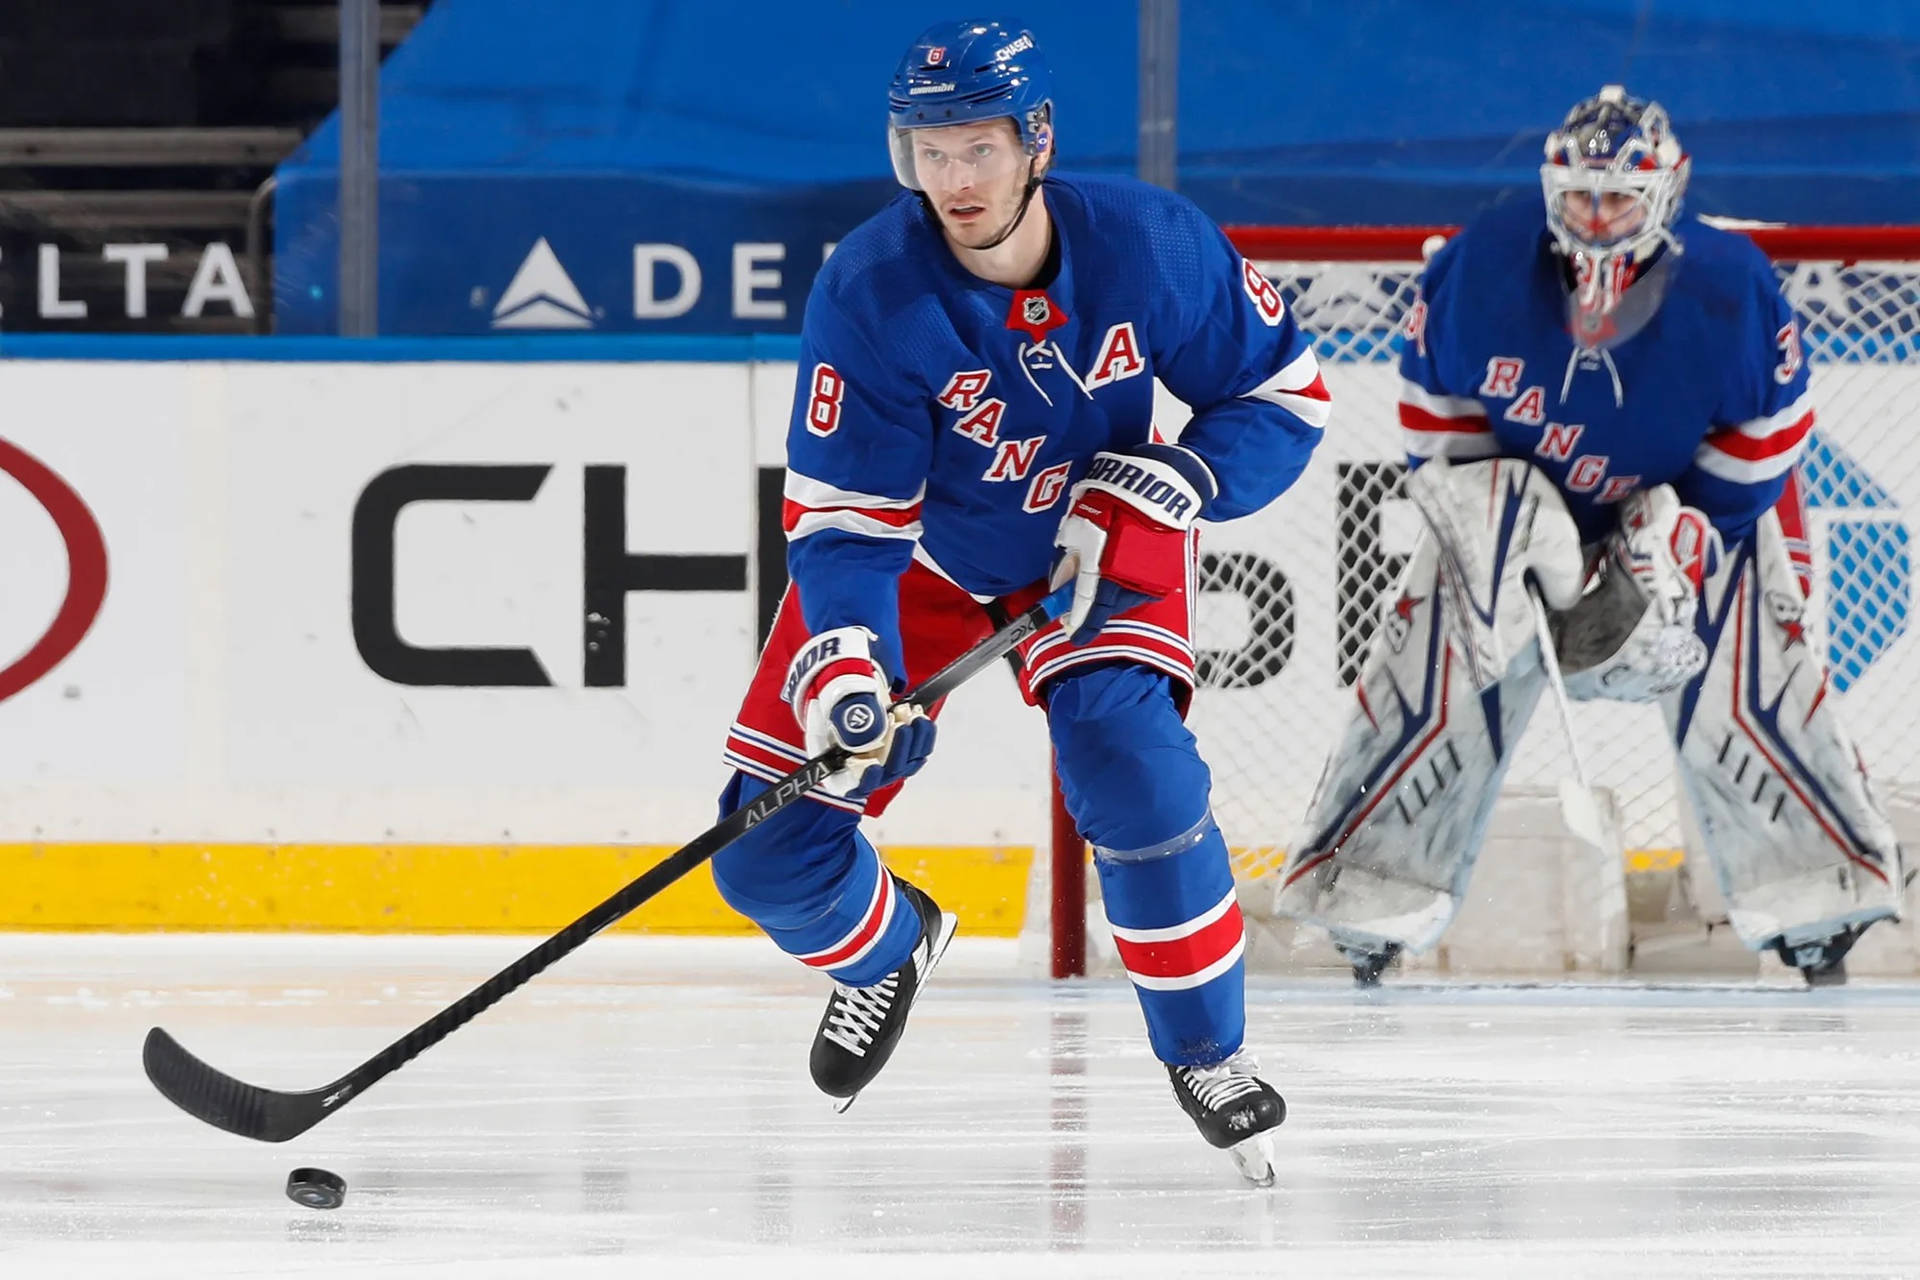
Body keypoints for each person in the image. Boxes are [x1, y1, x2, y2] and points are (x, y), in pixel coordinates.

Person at [708, 18, 1329, 1182]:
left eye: (976, 148)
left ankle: (1208, 1052)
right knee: (766, 850)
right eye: (928, 153)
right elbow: (846, 520)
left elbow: (1288, 397)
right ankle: (888, 950)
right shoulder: (871, 289)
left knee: (1137, 779)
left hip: (1101, 549)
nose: (953, 181)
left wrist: (1182, 475)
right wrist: (846, 665)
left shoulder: (1152, 244)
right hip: (931, 562)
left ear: (1034, 139)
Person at [1276, 86, 1905, 986]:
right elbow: (1433, 416)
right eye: (1580, 195)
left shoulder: (1731, 286)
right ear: (1550, 190)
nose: (1598, 216)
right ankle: (1367, 892)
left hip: (1683, 505)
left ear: (1666, 192)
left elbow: (1767, 440)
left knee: (1751, 668)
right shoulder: (1481, 263)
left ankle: (1821, 896)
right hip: (1528, 509)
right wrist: (1508, 528)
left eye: (1619, 197)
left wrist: (1680, 538)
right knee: (1441, 643)